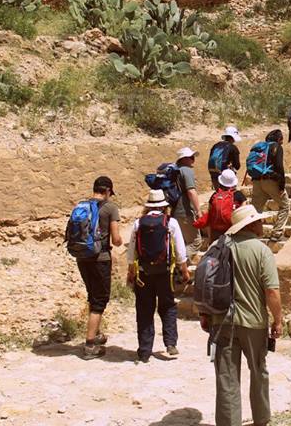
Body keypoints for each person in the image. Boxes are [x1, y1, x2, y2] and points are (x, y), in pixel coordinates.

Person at [211, 204, 283, 426]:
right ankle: (261, 419)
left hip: (222, 322)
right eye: (259, 221)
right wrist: (278, 320)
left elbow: (207, 283)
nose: (262, 224)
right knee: (259, 371)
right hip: (253, 322)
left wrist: (206, 315)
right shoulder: (262, 251)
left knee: (227, 376)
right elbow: (271, 291)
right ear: (252, 224)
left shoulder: (217, 247)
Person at [127, 189, 189, 363]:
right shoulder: (171, 222)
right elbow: (180, 249)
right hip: (165, 273)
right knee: (168, 306)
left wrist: (131, 271)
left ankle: (145, 351)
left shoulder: (138, 223)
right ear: (164, 206)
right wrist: (184, 270)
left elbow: (132, 251)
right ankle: (170, 343)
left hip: (143, 274)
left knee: (144, 309)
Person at [75, 176, 123, 360]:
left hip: (82, 257)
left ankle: (95, 333)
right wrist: (119, 241)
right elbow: (117, 239)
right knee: (100, 300)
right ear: (108, 191)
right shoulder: (110, 208)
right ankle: (89, 345)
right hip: (100, 258)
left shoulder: (81, 205)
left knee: (92, 295)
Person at [248, 130, 290, 242]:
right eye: (282, 139)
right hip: (270, 180)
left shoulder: (260, 147)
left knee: (255, 210)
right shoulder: (276, 147)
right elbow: (279, 167)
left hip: (257, 181)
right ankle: (276, 233)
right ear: (279, 139)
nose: (282, 142)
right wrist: (281, 186)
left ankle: (251, 233)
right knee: (285, 205)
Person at [193, 169, 247, 242]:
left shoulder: (214, 196)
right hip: (233, 232)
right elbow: (244, 215)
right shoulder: (239, 196)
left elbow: (210, 217)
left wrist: (210, 238)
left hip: (216, 233)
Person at [172, 147, 203, 258]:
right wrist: (198, 211)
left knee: (182, 241)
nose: (193, 159)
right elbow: (191, 191)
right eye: (191, 157)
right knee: (196, 242)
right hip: (184, 211)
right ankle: (178, 264)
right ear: (184, 159)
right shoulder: (186, 170)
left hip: (174, 211)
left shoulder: (175, 170)